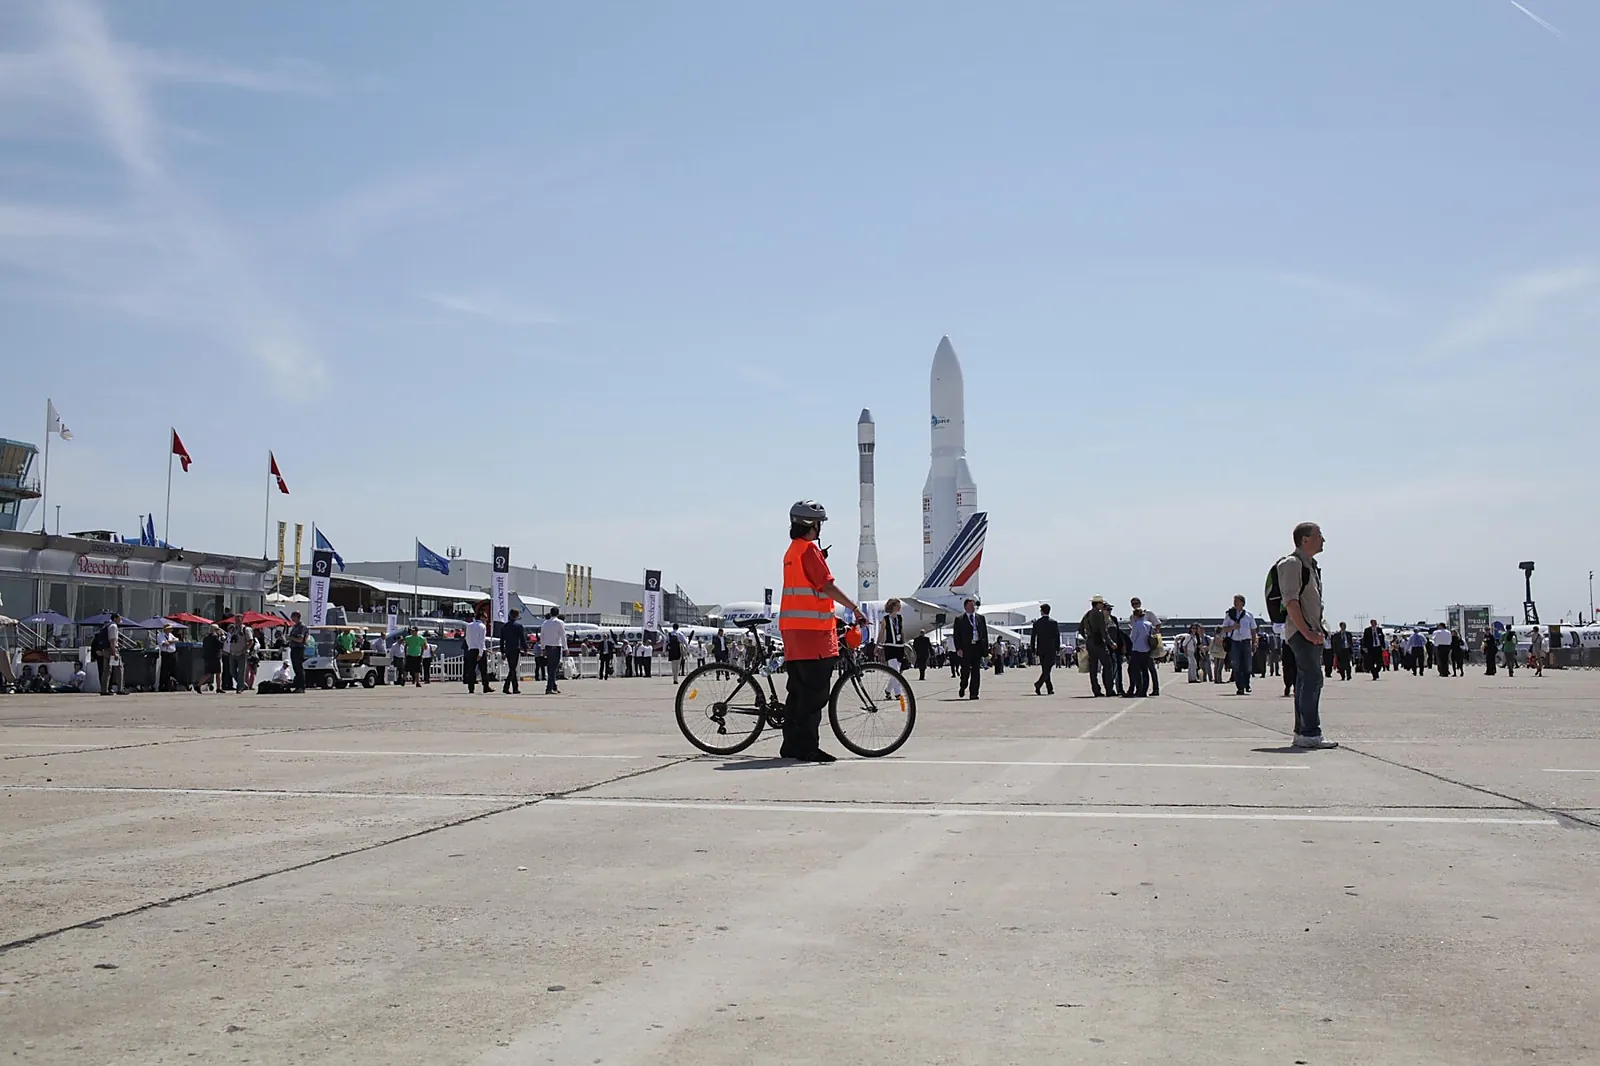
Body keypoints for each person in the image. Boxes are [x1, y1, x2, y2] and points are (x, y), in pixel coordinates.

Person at [776, 501, 865, 761]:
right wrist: (854, 608)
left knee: (797, 691)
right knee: (815, 694)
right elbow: (827, 587)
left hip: (792, 631)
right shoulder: (809, 551)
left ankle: (791, 745)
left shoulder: (791, 551)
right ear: (811, 525)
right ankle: (807, 747)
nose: (819, 528)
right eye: (818, 524)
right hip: (813, 634)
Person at [1277, 521, 1336, 748]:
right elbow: (1291, 602)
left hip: (1311, 630)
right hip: (1302, 632)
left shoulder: (1310, 565)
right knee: (1312, 679)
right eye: (1319, 535)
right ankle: (1310, 732)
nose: (1323, 539)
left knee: (1305, 680)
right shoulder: (1292, 564)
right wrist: (1307, 632)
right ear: (1305, 540)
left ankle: (1303, 732)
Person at [1078, 596, 1116, 697]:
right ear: (1098, 604)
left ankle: (1096, 690)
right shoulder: (1099, 614)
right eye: (1102, 603)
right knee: (1107, 665)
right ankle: (1109, 689)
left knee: (1093, 668)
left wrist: (1087, 638)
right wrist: (1111, 643)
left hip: (1090, 642)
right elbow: (1103, 631)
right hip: (1098, 641)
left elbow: (1080, 629)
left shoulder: (1087, 614)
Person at [953, 597, 988, 700]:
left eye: (973, 605)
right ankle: (963, 686)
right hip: (965, 649)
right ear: (965, 607)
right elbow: (957, 636)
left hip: (977, 647)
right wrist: (958, 648)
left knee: (976, 672)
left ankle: (974, 693)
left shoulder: (980, 618)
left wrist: (985, 650)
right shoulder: (959, 620)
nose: (972, 607)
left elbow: (984, 634)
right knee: (965, 671)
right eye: (970, 606)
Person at [1221, 595, 1256, 695]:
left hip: (1246, 642)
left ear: (1242, 602)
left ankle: (1247, 683)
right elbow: (1224, 628)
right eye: (1234, 601)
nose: (1235, 603)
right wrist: (1232, 627)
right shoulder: (1230, 615)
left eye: (1237, 601)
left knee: (1247, 665)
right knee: (1236, 665)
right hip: (1235, 642)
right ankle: (1240, 687)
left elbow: (1253, 630)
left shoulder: (1249, 615)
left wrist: (1254, 642)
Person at [1126, 597, 1160, 698]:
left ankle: (1151, 689)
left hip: (1140, 647)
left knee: (1146, 669)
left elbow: (1157, 624)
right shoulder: (1134, 617)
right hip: (1146, 647)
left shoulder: (1148, 613)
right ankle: (1141, 690)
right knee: (1145, 670)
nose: (1135, 605)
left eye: (1136, 603)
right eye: (1133, 603)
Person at [1029, 604, 1061, 695]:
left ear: (1042, 611)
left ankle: (1049, 688)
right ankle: (1039, 684)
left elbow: (1033, 637)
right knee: (1048, 668)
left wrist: (1033, 649)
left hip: (1041, 649)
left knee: (1045, 669)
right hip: (1051, 648)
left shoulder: (1037, 623)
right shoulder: (1053, 623)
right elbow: (1057, 636)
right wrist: (1057, 648)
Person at [94, 613, 123, 696]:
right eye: (119, 618)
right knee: (119, 668)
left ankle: (104, 689)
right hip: (112, 649)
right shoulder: (113, 626)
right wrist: (114, 652)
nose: (120, 620)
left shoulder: (107, 626)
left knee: (106, 670)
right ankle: (120, 688)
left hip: (106, 649)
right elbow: (112, 640)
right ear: (115, 618)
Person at [540, 607, 567, 693]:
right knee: (553, 668)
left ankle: (553, 686)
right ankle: (549, 688)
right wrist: (565, 647)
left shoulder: (545, 623)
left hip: (548, 647)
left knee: (550, 667)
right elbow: (563, 636)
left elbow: (542, 636)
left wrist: (543, 648)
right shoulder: (560, 623)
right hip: (556, 647)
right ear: (558, 613)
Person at [464, 613, 491, 693]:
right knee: (483, 670)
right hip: (480, 649)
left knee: (471, 670)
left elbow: (467, 638)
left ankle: (471, 688)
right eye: (486, 617)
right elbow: (481, 641)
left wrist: (470, 647)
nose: (487, 619)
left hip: (471, 649)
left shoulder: (469, 625)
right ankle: (486, 687)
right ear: (481, 617)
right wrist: (480, 653)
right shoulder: (482, 626)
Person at [501, 609, 526, 693]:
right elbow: (522, 639)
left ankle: (515, 688)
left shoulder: (505, 626)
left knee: (512, 668)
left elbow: (502, 640)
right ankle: (506, 686)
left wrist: (502, 651)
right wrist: (525, 649)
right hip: (515, 648)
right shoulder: (518, 626)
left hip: (507, 648)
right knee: (512, 668)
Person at [225, 620, 253, 695]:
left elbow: (250, 641)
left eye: (238, 619)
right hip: (233, 653)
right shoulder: (233, 629)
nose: (236, 621)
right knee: (232, 671)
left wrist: (244, 650)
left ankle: (239, 688)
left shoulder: (245, 629)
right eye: (236, 619)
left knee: (241, 671)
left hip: (242, 653)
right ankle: (243, 684)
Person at [286, 612, 308, 693]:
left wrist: (290, 637)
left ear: (297, 617)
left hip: (299, 649)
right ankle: (298, 686)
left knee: (299, 668)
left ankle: (301, 687)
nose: (292, 618)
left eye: (293, 616)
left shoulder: (301, 626)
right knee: (295, 668)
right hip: (294, 648)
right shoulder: (295, 626)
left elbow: (300, 639)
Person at [200, 624, 223, 693]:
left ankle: (219, 687)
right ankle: (198, 685)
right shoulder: (214, 638)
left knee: (216, 672)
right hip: (214, 657)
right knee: (210, 673)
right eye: (217, 630)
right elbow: (221, 645)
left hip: (208, 657)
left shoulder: (206, 638)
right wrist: (221, 636)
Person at [157, 626, 179, 691]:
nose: (171, 630)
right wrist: (171, 642)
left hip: (172, 653)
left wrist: (169, 641)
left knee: (173, 669)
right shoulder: (160, 635)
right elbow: (164, 643)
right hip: (165, 654)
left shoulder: (170, 635)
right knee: (165, 670)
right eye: (170, 629)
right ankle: (163, 685)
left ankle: (173, 684)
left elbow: (177, 639)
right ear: (166, 629)